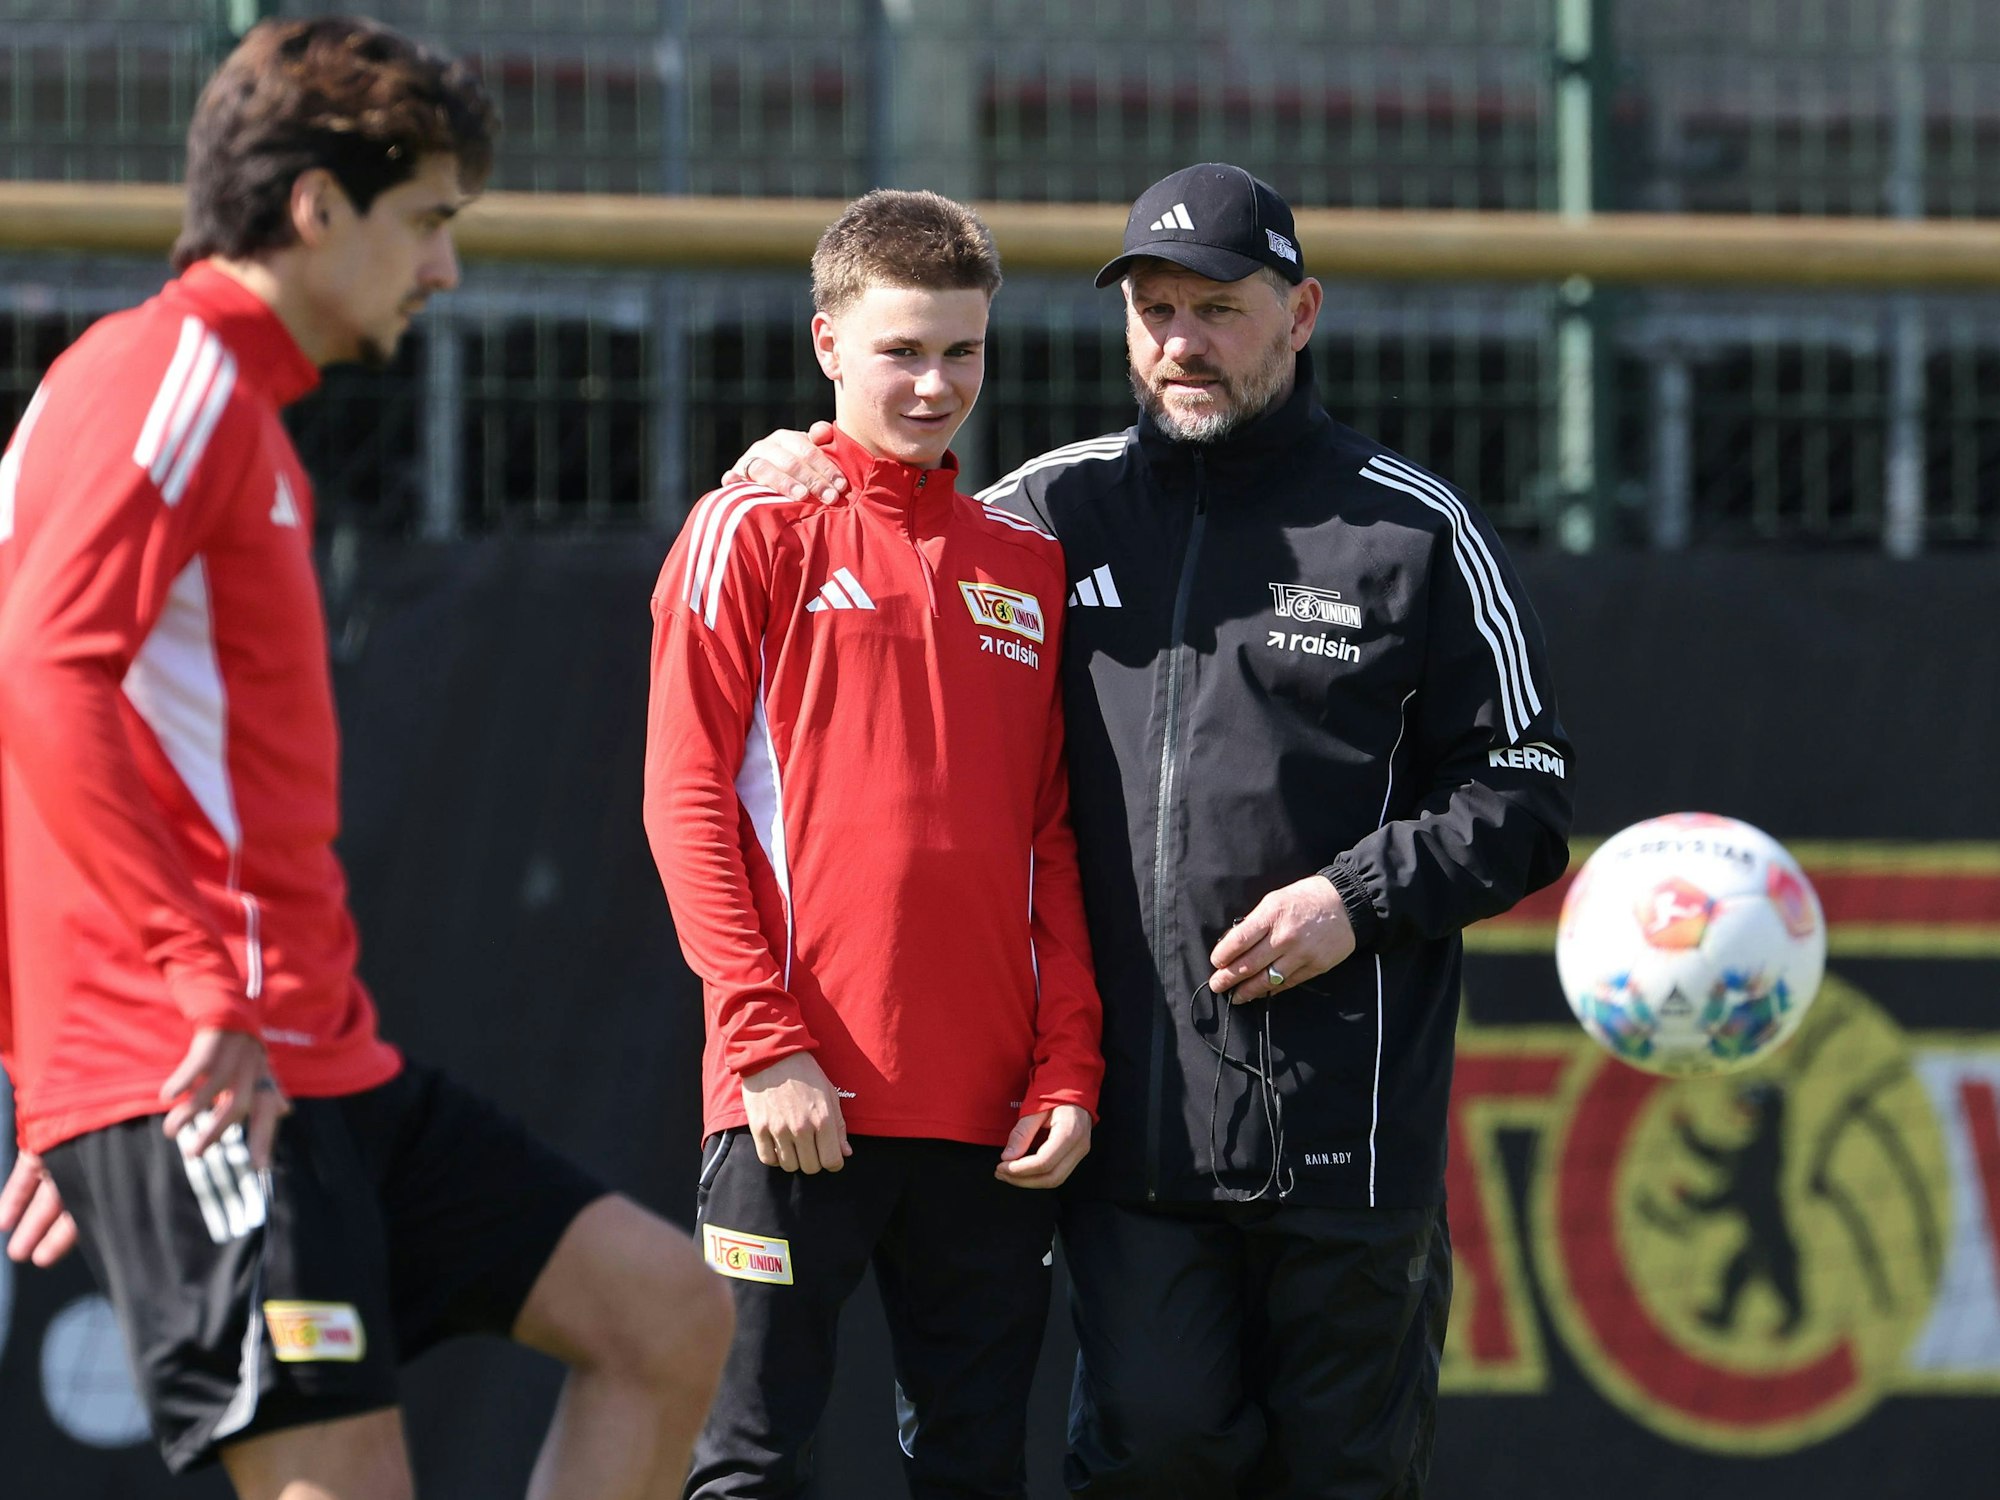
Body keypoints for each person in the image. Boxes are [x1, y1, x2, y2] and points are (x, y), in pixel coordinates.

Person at [729, 162, 1574, 1498]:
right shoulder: (1044, 515)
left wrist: (1350, 898)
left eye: (1217, 310)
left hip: (1349, 1143)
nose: (1180, 343)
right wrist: (795, 460)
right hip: (1132, 1143)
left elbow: (1522, 799)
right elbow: (887, 530)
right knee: (1150, 1457)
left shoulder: (1414, 532)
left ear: (1300, 314)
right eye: (1154, 312)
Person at [0, 18, 731, 1499]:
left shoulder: (229, 406)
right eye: (429, 224)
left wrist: (50, 1058)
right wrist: (122, 1040)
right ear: (318, 208)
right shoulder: (171, 379)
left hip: (307, 1060)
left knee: (668, 1317)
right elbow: (38, 675)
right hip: (214, 1073)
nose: (446, 271)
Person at [643, 188, 1103, 1500]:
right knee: (746, 1464)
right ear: (828, 344)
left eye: (963, 349)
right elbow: (685, 805)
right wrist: (763, 1041)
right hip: (795, 1104)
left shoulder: (1025, 562)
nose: (935, 381)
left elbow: (1049, 838)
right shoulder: (754, 527)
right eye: (903, 349)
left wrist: (1067, 1065)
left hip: (990, 1121)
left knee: (972, 1469)